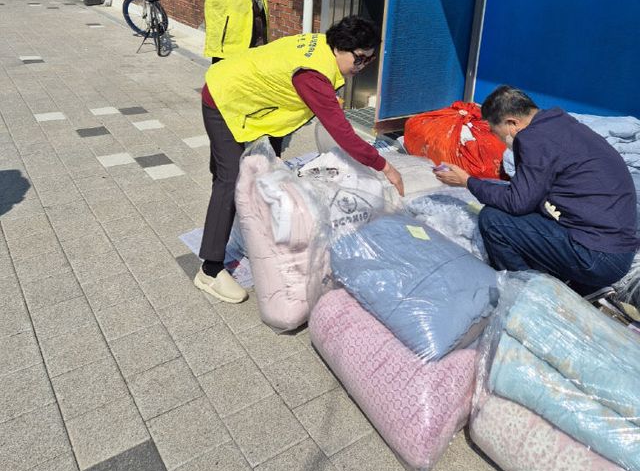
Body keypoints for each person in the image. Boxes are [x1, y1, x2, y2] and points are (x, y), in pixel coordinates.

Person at [194, 16, 405, 303]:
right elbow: (342, 132)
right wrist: (385, 166)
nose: (362, 67)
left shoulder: (322, 48)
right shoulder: (314, 75)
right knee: (229, 178)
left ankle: (243, 224)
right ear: (340, 48)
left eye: (369, 61)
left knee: (262, 171)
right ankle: (210, 268)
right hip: (225, 98)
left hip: (254, 99)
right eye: (359, 59)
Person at [434, 85, 639, 295]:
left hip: (596, 255)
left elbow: (517, 203)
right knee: (528, 208)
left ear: (512, 123)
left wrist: (467, 181)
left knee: (493, 219)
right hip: (617, 251)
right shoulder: (559, 124)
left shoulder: (533, 138)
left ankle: (529, 293)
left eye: (496, 133)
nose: (499, 140)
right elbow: (531, 196)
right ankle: (578, 286)